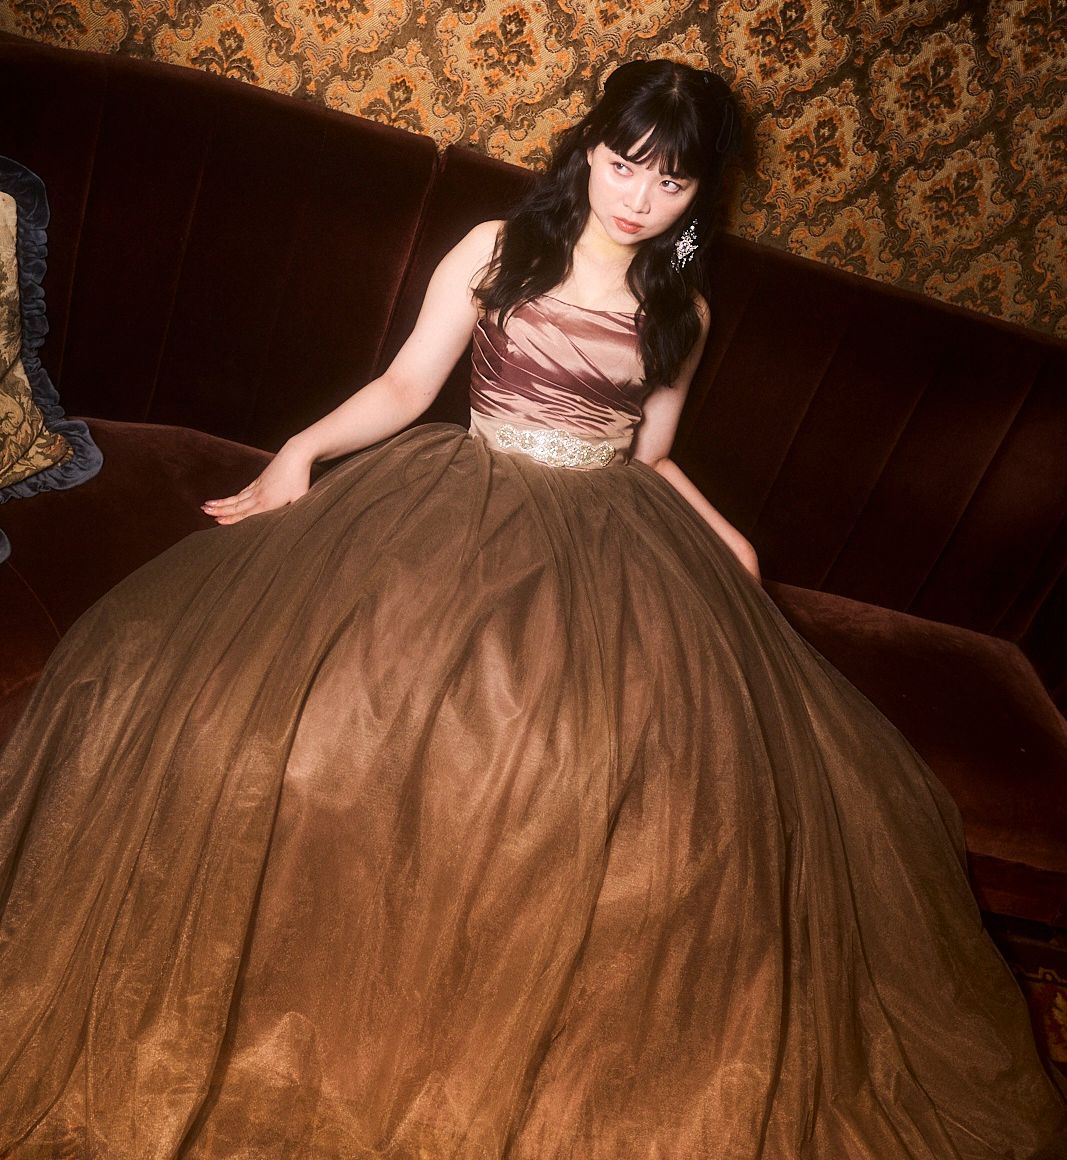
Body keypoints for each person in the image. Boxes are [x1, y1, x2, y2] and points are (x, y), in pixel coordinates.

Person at [0, 59, 1064, 1159]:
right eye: (624, 164)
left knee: (634, 785)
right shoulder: (496, 248)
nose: (639, 197)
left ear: (700, 193)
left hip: (609, 528)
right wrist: (298, 455)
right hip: (458, 498)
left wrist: (729, 538)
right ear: (587, 149)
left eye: (672, 181)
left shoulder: (682, 308)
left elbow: (649, 454)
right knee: (301, 711)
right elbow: (406, 386)